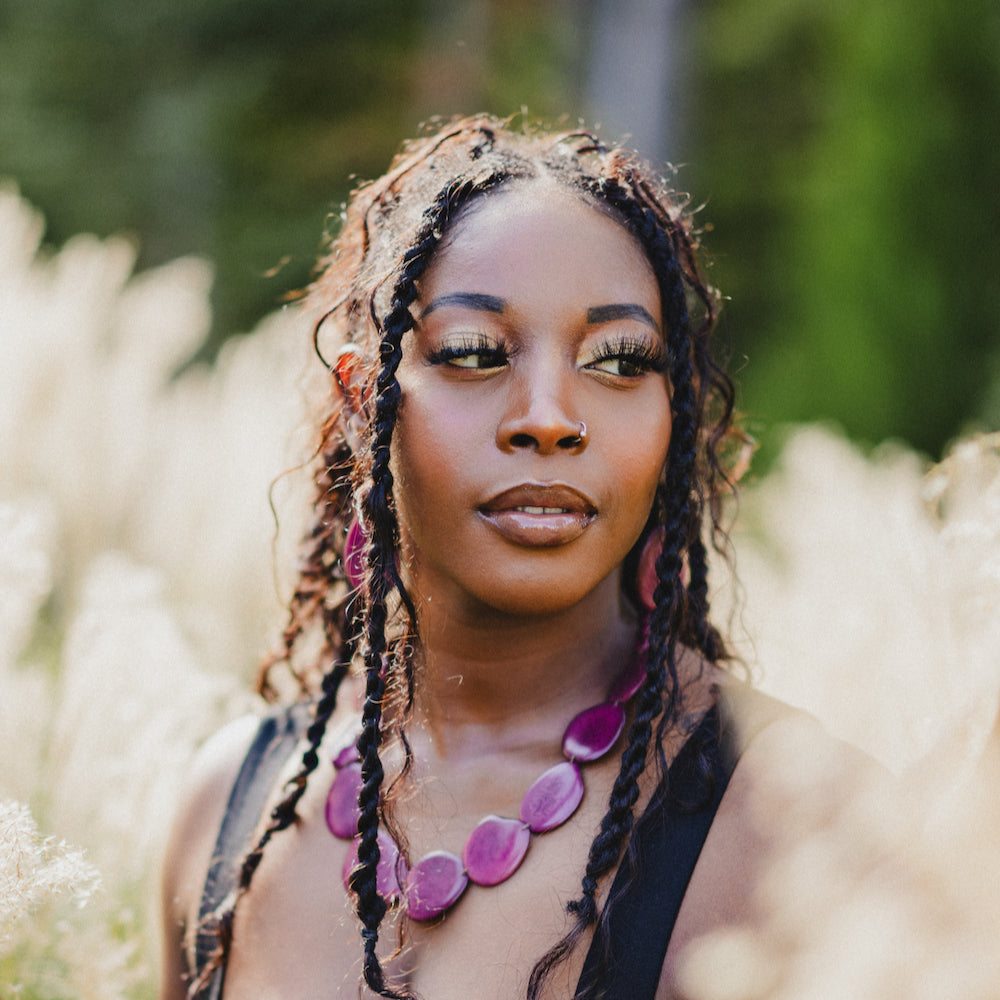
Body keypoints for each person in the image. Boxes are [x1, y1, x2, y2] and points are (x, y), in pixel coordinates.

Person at [159, 114, 882, 1000]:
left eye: (618, 361)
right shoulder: (229, 810)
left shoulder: (806, 831)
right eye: (473, 354)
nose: (549, 417)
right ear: (362, 401)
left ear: (672, 413)